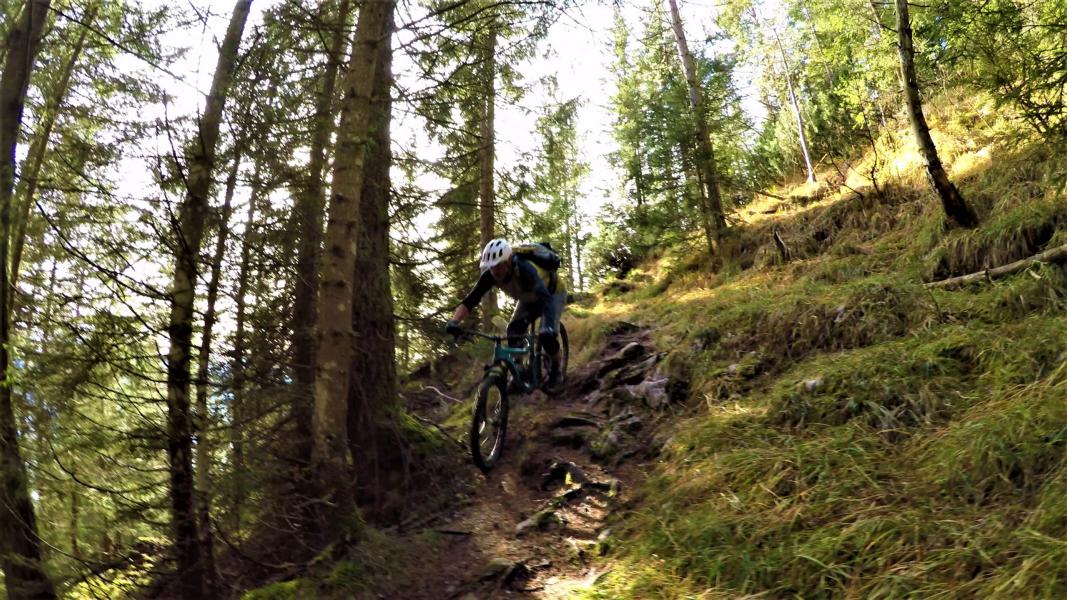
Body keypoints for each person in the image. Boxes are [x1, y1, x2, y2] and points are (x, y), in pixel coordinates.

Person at [446, 239, 566, 390]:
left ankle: (556, 369)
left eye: (498, 266)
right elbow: (470, 301)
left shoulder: (525, 268)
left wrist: (548, 328)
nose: (494, 271)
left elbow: (545, 298)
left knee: (547, 336)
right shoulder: (490, 275)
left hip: (552, 293)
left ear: (509, 261)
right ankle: (519, 373)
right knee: (513, 331)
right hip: (528, 298)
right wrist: (454, 321)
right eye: (491, 267)